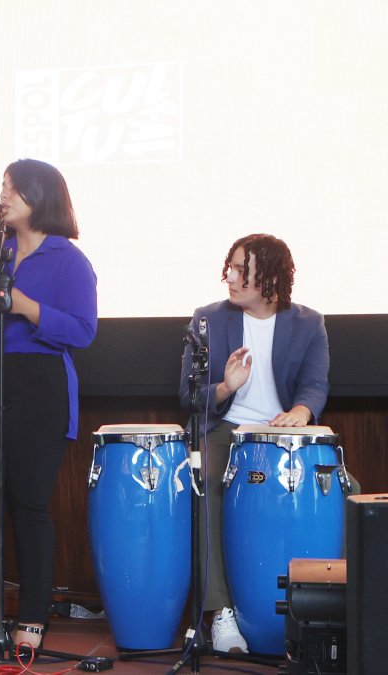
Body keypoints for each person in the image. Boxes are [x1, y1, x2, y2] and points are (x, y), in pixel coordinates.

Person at [0, 158, 98, 652]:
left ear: (40, 197)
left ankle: (31, 620)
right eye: (2, 187)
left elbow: (84, 331)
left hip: (39, 384)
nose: (2, 197)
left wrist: (27, 307)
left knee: (28, 504)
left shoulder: (69, 260)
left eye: (13, 189)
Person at [178, 233, 329, 654]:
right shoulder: (207, 319)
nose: (231, 276)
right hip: (229, 430)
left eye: (242, 270)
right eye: (231, 266)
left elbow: (315, 384)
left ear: (272, 279)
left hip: (284, 431)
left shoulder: (308, 323)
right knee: (204, 480)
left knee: (347, 489)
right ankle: (220, 613)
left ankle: (337, 609)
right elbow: (188, 396)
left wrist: (300, 411)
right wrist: (226, 386)